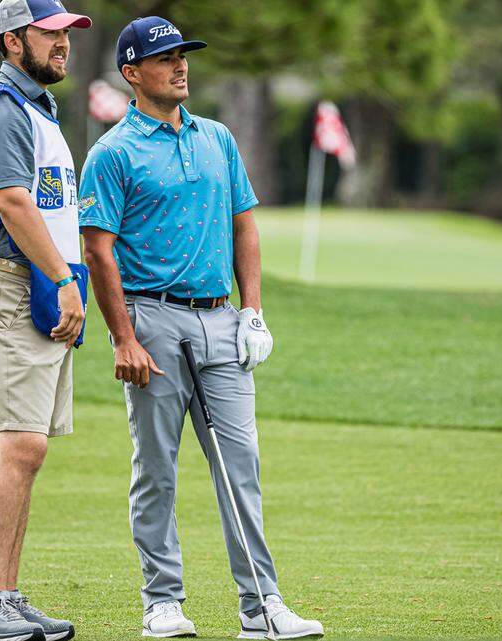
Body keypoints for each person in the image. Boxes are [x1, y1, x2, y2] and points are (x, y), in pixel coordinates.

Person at [78, 16, 324, 640]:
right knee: (156, 468)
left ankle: (260, 608)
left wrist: (255, 309)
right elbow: (97, 250)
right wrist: (123, 337)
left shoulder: (217, 138)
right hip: (151, 320)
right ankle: (162, 602)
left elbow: (245, 226)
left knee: (240, 466)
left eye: (183, 55)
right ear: (132, 73)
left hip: (222, 320)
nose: (181, 65)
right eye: (166, 59)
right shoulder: (112, 153)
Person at [0, 1, 90, 640]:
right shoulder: (4, 110)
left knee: (20, 447)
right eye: (50, 34)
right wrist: (64, 280)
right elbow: (12, 203)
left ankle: (6, 595)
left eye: (67, 35)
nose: (63, 45)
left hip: (33, 290)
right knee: (23, 445)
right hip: (11, 288)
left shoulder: (37, 108)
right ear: (13, 41)